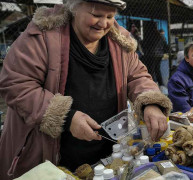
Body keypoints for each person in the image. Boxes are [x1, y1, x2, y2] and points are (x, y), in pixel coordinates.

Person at [0, 0, 172, 179]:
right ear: (73, 8)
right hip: (48, 155)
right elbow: (16, 84)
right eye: (96, 15)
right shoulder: (42, 36)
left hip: (106, 155)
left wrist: (150, 103)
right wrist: (66, 117)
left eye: (110, 16)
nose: (104, 23)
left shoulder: (120, 41)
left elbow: (137, 76)